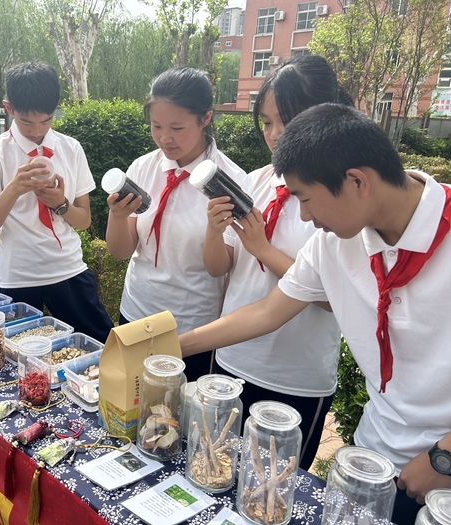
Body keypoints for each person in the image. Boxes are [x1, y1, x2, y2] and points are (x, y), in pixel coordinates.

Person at [179, 103, 451, 524]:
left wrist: (443, 457)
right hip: (372, 458)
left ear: (357, 181)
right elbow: (267, 312)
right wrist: (172, 346)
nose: (304, 216)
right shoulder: (334, 244)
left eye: (306, 199)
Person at [200, 56, 353, 470]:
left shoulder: (345, 198)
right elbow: (219, 268)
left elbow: (336, 299)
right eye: (266, 122)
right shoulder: (256, 181)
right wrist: (214, 231)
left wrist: (263, 249)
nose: (275, 134)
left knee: (274, 494)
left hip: (295, 376)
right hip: (232, 357)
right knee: (214, 470)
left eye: (286, 119)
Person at [105, 67, 247, 382]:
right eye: (156, 126)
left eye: (177, 127)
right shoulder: (144, 167)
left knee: (174, 420)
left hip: (189, 326)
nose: (165, 138)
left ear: (206, 118)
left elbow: (218, 269)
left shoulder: (232, 181)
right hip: (136, 313)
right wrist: (117, 217)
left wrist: (214, 230)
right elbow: (121, 250)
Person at [0, 62, 113, 343]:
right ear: (9, 109)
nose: (37, 131)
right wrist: (13, 189)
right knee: (18, 360)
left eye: (46, 121)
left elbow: (83, 221)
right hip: (17, 277)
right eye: (26, 122)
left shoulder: (70, 148)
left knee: (100, 348)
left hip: (68, 269)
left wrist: (61, 203)